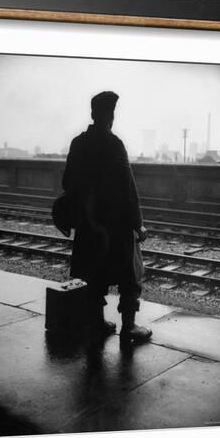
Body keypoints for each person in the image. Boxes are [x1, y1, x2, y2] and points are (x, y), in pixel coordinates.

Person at [61, 91, 152, 344]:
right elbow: (128, 189)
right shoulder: (114, 145)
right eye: (111, 114)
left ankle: (97, 323)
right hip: (116, 225)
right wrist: (137, 224)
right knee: (130, 274)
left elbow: (67, 182)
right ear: (110, 116)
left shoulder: (78, 143)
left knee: (93, 274)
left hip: (89, 225)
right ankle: (129, 328)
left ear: (92, 114)